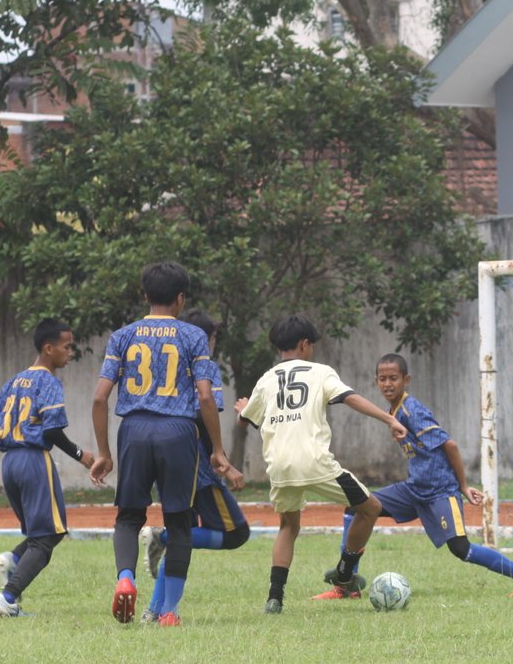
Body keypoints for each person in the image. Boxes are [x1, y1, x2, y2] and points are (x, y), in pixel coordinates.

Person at [89, 262, 242, 627]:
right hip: (178, 432)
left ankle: (125, 579)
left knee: (128, 516)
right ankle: (170, 612)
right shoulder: (193, 337)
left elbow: (99, 399)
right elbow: (206, 397)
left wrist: (104, 452)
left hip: (134, 430)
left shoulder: (123, 336)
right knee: (179, 523)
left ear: (145, 295)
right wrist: (218, 451)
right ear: (180, 298)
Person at [320, 354, 513, 599]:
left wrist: (464, 487)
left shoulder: (412, 410)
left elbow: (451, 446)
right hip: (414, 489)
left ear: (406, 379)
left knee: (461, 549)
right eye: (382, 379)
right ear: (376, 381)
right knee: (357, 507)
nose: (387, 384)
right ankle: (346, 586)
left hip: (440, 492)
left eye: (393, 378)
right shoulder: (392, 410)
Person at [235, 315, 407, 614]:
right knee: (371, 508)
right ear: (305, 344)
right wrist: (389, 418)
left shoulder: (266, 379)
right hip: (315, 461)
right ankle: (345, 571)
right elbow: (350, 398)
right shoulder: (320, 372)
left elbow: (247, 419)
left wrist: (241, 411)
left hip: (278, 466)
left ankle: (274, 599)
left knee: (288, 526)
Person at [136, 308, 253, 624]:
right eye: (214, 337)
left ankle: (155, 610)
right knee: (236, 533)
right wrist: (224, 462)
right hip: (198, 471)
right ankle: (160, 544)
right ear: (205, 338)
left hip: (162, 461)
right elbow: (205, 411)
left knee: (180, 532)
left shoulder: (165, 365)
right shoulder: (203, 366)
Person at [0, 318, 96, 616]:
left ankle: (12, 560)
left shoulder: (14, 381)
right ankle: (8, 598)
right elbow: (53, 431)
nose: (71, 352)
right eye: (67, 347)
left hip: (10, 464)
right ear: (49, 348)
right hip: (33, 460)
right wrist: (82, 455)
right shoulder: (49, 382)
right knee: (45, 538)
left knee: (45, 533)